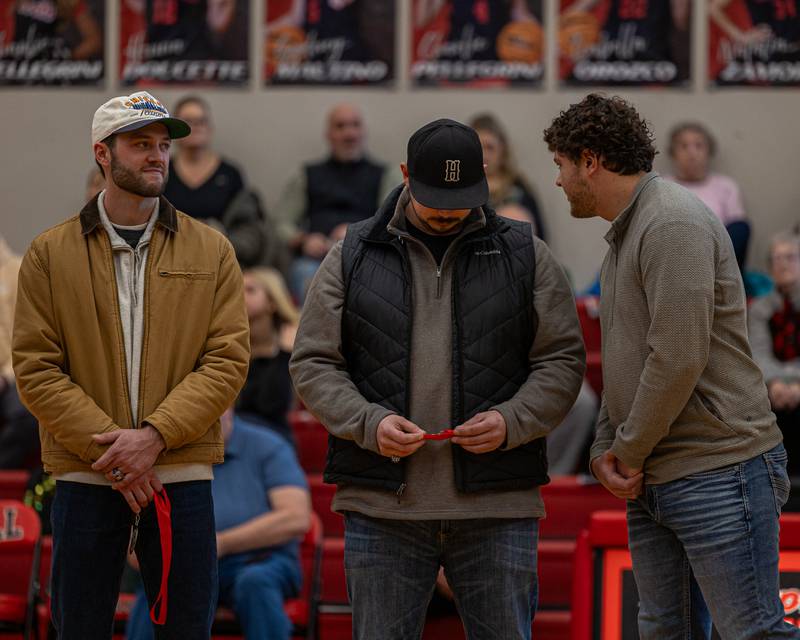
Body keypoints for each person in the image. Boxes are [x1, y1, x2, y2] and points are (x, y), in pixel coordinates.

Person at [290, 118, 585, 640]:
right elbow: (313, 362)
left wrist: (512, 421)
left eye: (461, 198)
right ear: (405, 175)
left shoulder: (528, 253)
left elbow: (562, 361)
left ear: (486, 177)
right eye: (436, 199)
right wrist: (367, 423)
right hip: (382, 508)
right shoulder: (351, 253)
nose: (449, 212)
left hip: (498, 507)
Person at [544, 93, 793, 638]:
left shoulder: (672, 223)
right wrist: (608, 450)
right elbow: (626, 365)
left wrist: (625, 452)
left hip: (719, 470)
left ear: (590, 159)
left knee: (754, 631)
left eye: (561, 165)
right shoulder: (624, 239)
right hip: (657, 472)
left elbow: (678, 357)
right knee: (666, 631)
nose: (558, 181)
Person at [12, 90, 250, 639]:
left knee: (187, 628)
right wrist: (117, 451)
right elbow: (37, 368)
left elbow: (227, 360)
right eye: (140, 144)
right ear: (103, 153)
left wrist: (155, 437)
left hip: (181, 473)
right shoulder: (49, 254)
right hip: (87, 474)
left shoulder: (212, 250)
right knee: (80, 628)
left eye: (163, 146)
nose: (156, 156)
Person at [126, 408, 311, 640]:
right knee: (157, 588)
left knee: (255, 583)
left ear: (230, 408)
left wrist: (221, 543)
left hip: (258, 561)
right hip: (186, 562)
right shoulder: (166, 453)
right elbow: (135, 553)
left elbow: (296, 518)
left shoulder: (268, 446)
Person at [275, 103, 401, 302]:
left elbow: (395, 220)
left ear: (363, 131)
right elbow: (281, 222)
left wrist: (358, 232)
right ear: (328, 134)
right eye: (340, 126)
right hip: (316, 260)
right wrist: (304, 240)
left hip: (367, 257)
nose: (349, 134)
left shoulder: (386, 174)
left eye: (355, 125)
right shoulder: (306, 175)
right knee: (304, 274)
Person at [164, 96, 283, 271]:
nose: (195, 127)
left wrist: (220, 240)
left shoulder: (230, 173)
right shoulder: (162, 171)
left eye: (201, 121)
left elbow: (247, 226)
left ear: (210, 128)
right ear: (175, 130)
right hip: (170, 256)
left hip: (222, 257)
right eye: (188, 121)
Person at [664, 121, 751, 270]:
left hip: (718, 260)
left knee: (741, 227)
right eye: (684, 146)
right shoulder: (662, 186)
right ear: (673, 153)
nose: (692, 153)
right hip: (677, 256)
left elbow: (737, 232)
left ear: (709, 151)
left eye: (698, 146)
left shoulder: (726, 186)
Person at [748, 232, 800, 477]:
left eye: (790, 257)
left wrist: (796, 384)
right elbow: (757, 353)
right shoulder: (759, 308)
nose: (783, 263)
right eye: (777, 259)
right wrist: (776, 382)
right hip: (772, 388)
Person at [237, 268, 299, 444]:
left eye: (250, 290)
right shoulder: (228, 344)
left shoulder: (289, 343)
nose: (241, 296)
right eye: (237, 289)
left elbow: (272, 406)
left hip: (274, 437)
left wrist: (284, 355)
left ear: (272, 301)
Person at [469, 113, 547, 241]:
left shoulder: (519, 189)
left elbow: (539, 239)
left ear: (502, 150)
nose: (484, 154)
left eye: (490, 147)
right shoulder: (461, 188)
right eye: (479, 147)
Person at [0, 234, 38, 469]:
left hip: (13, 376)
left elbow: (29, 338)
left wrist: (4, 376)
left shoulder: (18, 270)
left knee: (30, 416)